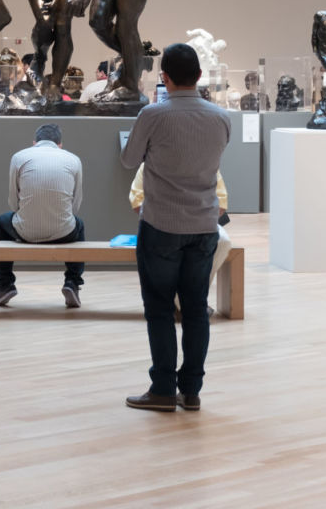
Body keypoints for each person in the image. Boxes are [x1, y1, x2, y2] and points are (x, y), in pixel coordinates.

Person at [120, 43, 230, 412]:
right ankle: (193, 391)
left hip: (161, 225)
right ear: (199, 76)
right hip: (204, 225)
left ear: (163, 78)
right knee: (197, 309)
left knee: (160, 309)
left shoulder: (153, 114)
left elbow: (128, 159)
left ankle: (164, 389)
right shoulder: (221, 117)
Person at [0, 123, 85, 309]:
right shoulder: (74, 160)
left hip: (25, 232)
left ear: (34, 143)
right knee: (79, 224)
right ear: (60, 145)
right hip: (64, 233)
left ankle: (5, 284)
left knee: (2, 221)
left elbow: (12, 200)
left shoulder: (19, 157)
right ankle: (72, 283)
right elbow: (76, 204)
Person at [130, 165, 232, 315]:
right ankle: (187, 302)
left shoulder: (207, 163)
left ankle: (192, 298)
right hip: (162, 224)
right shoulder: (149, 165)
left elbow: (221, 203)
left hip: (200, 224)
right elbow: (137, 201)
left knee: (223, 241)